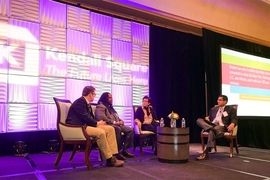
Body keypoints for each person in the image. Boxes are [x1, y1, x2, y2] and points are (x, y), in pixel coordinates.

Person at [66, 86, 124, 167]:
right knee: (101, 132)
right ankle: (109, 159)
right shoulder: (80, 102)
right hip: (79, 128)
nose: (94, 96)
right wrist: (97, 123)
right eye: (94, 94)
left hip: (86, 126)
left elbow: (88, 118)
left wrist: (98, 123)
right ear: (90, 94)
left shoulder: (85, 102)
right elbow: (85, 118)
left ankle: (113, 155)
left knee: (110, 129)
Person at [196, 95, 238, 160]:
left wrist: (232, 123)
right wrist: (207, 119)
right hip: (212, 124)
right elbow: (210, 118)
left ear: (225, 101)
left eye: (220, 100)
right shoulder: (213, 109)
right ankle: (215, 131)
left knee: (211, 131)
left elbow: (234, 119)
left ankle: (206, 152)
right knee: (199, 120)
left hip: (221, 126)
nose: (218, 101)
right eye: (218, 100)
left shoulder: (231, 109)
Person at [95, 92, 135, 160]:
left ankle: (125, 149)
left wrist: (120, 120)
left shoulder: (110, 107)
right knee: (117, 129)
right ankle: (117, 151)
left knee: (130, 130)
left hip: (117, 124)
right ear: (105, 98)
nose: (111, 99)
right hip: (108, 125)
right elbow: (102, 118)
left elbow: (116, 116)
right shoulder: (101, 106)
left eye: (111, 97)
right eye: (110, 97)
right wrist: (115, 122)